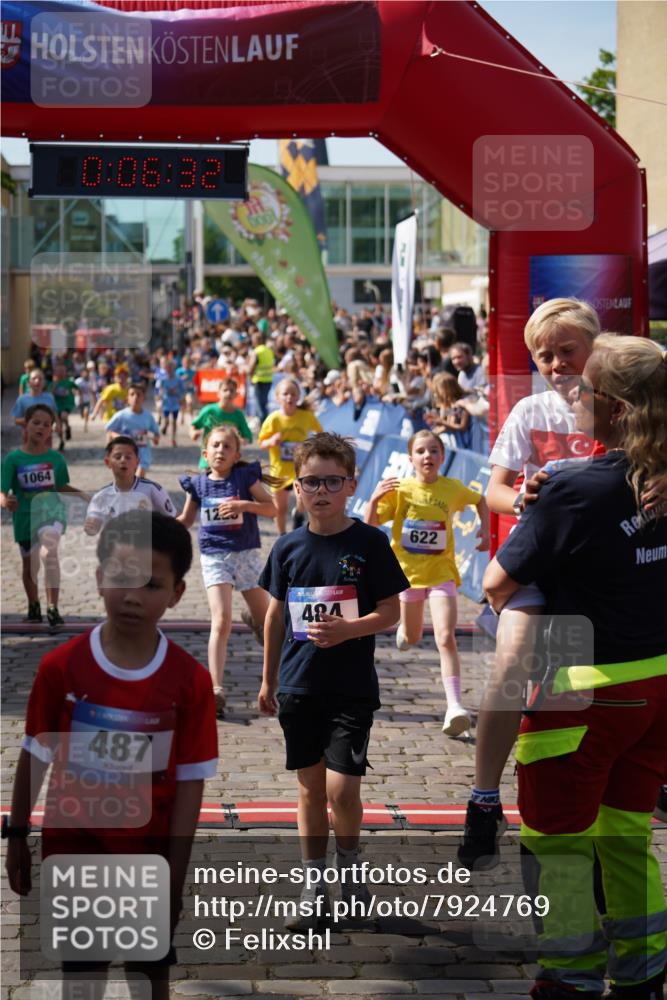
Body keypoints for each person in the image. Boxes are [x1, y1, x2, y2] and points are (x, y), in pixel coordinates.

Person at [480, 336, 667, 1000]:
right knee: (623, 836)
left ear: (611, 406)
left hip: (576, 685)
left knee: (556, 845)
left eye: (584, 388)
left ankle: (570, 979)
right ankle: (643, 972)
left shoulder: (577, 488)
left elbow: (497, 582)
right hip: (654, 683)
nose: (574, 397)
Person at [3, 511, 218, 1000]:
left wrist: (174, 882)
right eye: (121, 578)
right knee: (81, 979)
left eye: (151, 583)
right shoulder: (61, 667)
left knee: (148, 979)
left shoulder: (189, 681)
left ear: (177, 593)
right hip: (73, 856)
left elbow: (190, 785)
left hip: (149, 859)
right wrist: (17, 835)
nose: (133, 595)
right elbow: (35, 753)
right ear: (99, 579)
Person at [459, 298, 603, 868]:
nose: (558, 363)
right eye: (545, 356)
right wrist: (521, 496)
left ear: (596, 347)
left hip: (604, 565)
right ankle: (483, 796)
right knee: (512, 660)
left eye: (568, 351)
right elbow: (491, 491)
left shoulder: (622, 406)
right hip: (539, 561)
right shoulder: (529, 411)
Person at [258, 432, 409, 929]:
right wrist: (268, 679)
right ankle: (314, 883)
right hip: (299, 686)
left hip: (350, 686)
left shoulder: (369, 542)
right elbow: (275, 616)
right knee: (309, 790)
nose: (320, 490)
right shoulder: (287, 547)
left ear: (350, 485)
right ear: (297, 487)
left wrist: (349, 629)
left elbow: (390, 611)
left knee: (343, 791)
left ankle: (351, 871)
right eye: (310, 481)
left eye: (332, 481)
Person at [365, 429, 489, 735]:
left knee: (446, 637)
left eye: (434, 451)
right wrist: (375, 498)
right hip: (407, 577)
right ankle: (405, 634)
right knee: (412, 635)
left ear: (443, 457)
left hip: (442, 574)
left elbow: (481, 500)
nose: (427, 456)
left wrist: (485, 531)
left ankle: (454, 707)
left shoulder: (452, 489)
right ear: (411, 458)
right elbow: (370, 524)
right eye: (421, 451)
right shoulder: (401, 490)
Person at [178, 425, 280, 717]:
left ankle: (274, 666)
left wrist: (245, 505)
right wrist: (155, 524)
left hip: (246, 554)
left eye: (227, 447)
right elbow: (185, 519)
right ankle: (216, 689)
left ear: (236, 456)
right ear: (205, 453)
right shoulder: (197, 485)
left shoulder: (243, 478)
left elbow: (272, 509)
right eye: (216, 446)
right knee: (221, 620)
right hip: (215, 557)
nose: (220, 451)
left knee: (268, 621)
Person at [0, 404, 88, 627]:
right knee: (29, 566)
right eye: (36, 422)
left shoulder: (56, 459)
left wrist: (83, 495)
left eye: (46, 424)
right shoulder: (13, 460)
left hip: (51, 513)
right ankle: (34, 606)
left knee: (49, 552)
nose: (41, 427)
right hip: (25, 517)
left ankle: (52, 608)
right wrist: (4, 500)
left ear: (52, 430)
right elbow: (3, 490)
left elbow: (60, 486)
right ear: (26, 425)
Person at [258, 378, 323, 534]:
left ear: (298, 396)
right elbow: (262, 443)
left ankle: (298, 515)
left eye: (293, 394)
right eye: (285, 394)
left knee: (303, 499)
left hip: (300, 470)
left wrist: (310, 446)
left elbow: (321, 434)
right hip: (279, 471)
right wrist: (272, 441)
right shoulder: (274, 419)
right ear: (278, 397)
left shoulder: (306, 416)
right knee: (280, 508)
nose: (289, 397)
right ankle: (282, 537)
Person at [84, 436, 175, 535]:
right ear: (108, 462)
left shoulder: (152, 490)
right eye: (117, 457)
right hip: (115, 547)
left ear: (137, 462)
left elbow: (171, 521)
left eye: (128, 457)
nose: (123, 460)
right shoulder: (101, 496)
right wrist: (92, 526)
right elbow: (92, 526)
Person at [190, 378, 252, 470]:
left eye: (231, 390)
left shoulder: (238, 414)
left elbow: (248, 437)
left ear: (236, 394)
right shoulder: (209, 411)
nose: (228, 393)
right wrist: (193, 433)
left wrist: (241, 441)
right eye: (225, 390)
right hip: (208, 462)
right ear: (218, 393)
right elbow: (194, 425)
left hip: (229, 463)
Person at [106, 382, 160, 478]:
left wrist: (155, 438)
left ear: (144, 398)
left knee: (138, 478)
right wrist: (118, 438)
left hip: (143, 454)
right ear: (127, 398)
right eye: (132, 394)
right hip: (125, 455)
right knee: (128, 481)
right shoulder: (121, 415)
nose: (135, 397)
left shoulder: (148, 416)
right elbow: (109, 431)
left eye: (139, 394)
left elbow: (156, 433)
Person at [11, 368, 61, 439]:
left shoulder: (49, 397)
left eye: (40, 379)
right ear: (28, 382)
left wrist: (57, 424)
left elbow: (54, 412)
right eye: (34, 378)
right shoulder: (22, 399)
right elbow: (16, 420)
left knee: (47, 450)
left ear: (44, 383)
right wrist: (34, 420)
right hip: (28, 437)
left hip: (46, 437)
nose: (37, 381)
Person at [248, 330, 275, 425]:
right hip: (268, 380)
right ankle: (266, 423)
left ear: (257, 340)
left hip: (259, 380)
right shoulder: (269, 351)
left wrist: (250, 377)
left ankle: (264, 425)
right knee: (264, 404)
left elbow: (251, 367)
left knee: (259, 405)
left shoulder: (257, 351)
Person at [157, 359, 186, 446]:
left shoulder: (178, 380)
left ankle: (173, 439)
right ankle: (164, 427)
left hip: (175, 403)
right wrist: (159, 396)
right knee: (166, 420)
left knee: (174, 421)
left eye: (171, 368)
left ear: (174, 369)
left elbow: (183, 390)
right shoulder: (162, 379)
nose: (169, 370)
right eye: (167, 368)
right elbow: (158, 390)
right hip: (166, 403)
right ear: (165, 369)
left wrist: (180, 396)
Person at [49, 361, 77, 449]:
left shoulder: (68, 382)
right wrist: (55, 386)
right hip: (56, 406)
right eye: (58, 371)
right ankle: (61, 441)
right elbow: (49, 394)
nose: (60, 373)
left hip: (66, 405)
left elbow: (77, 388)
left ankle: (68, 427)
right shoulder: (52, 383)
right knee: (58, 426)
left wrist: (77, 394)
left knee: (64, 416)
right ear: (55, 373)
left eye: (62, 371)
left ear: (65, 372)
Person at [74, 360, 97, 432]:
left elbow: (92, 391)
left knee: (86, 412)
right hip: (79, 401)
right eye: (84, 373)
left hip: (87, 400)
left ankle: (85, 425)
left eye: (86, 372)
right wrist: (77, 393)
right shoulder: (78, 381)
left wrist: (94, 402)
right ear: (81, 373)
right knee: (82, 415)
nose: (85, 374)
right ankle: (83, 418)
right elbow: (73, 389)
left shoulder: (90, 381)